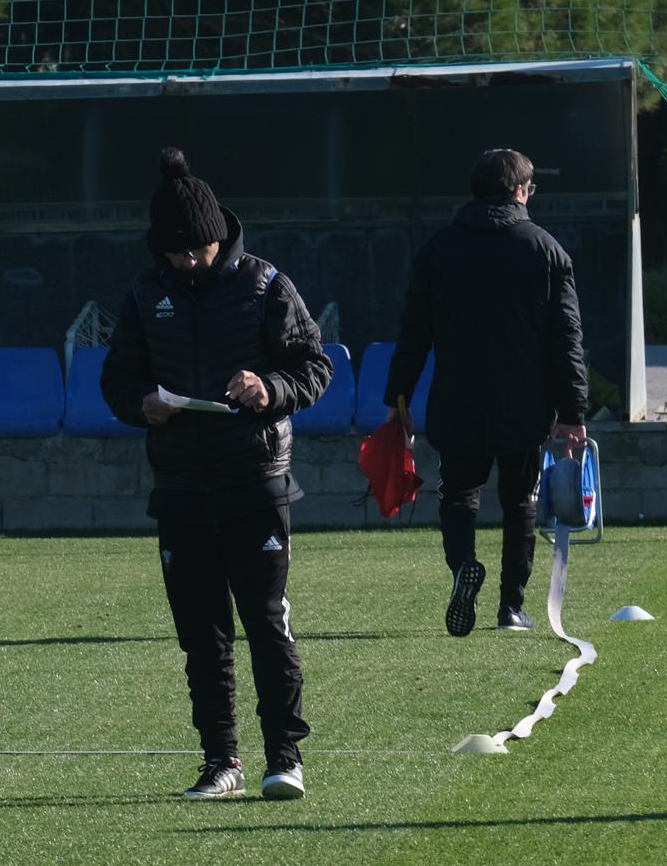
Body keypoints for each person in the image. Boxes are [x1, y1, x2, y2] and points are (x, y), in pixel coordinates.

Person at [101, 147, 333, 800]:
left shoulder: (264, 285)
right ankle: (219, 762)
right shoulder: (147, 293)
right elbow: (116, 379)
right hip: (178, 489)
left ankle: (284, 758)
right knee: (201, 639)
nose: (186, 262)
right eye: (174, 254)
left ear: (217, 237)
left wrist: (269, 388)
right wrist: (141, 404)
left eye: (196, 251)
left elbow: (315, 366)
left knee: (266, 624)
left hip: (254, 484)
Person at [382, 148, 588, 637]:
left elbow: (414, 333)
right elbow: (567, 340)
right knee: (520, 502)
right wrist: (572, 411)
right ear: (520, 190)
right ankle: (511, 608)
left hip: (457, 398)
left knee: (458, 494)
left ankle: (462, 570)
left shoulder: (437, 250)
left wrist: (399, 400)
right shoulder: (546, 250)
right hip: (525, 402)